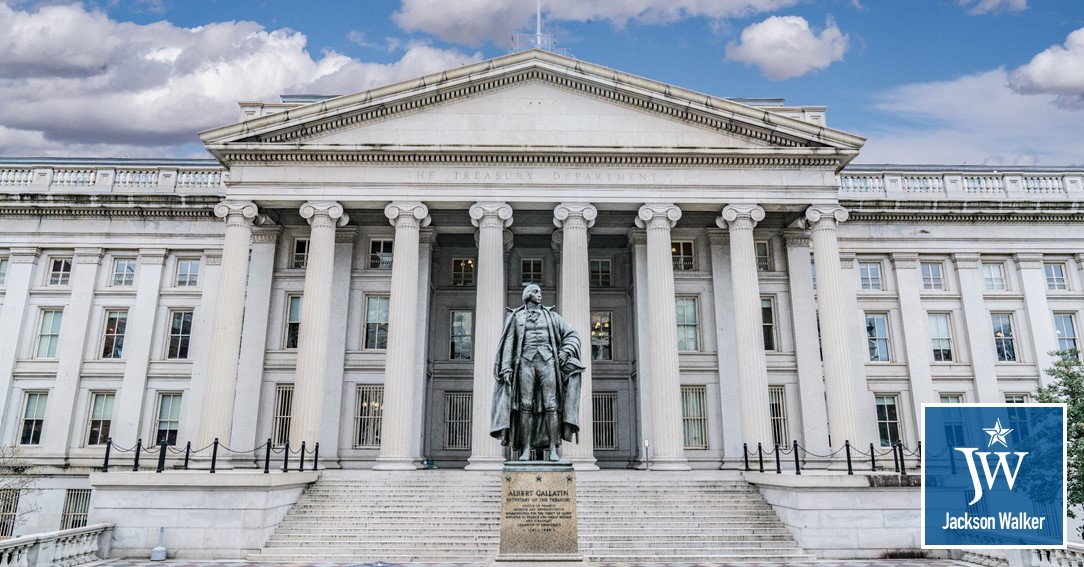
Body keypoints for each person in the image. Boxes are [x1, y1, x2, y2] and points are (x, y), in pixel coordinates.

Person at [490, 284, 586, 461]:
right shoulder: (516, 317)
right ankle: (526, 449)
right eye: (536, 292)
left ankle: (553, 449)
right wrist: (505, 367)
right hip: (525, 363)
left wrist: (565, 351)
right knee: (525, 405)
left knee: (552, 406)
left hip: (548, 363)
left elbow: (572, 334)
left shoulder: (552, 317)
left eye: (541, 292)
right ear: (527, 295)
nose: (540, 295)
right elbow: (509, 343)